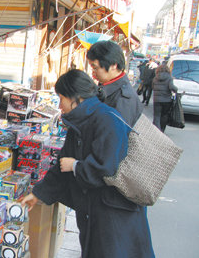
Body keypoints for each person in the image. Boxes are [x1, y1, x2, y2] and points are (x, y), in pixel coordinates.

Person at [20, 69, 155, 258]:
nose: (60, 106)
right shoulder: (81, 121)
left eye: (61, 98)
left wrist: (76, 165)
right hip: (95, 211)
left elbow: (106, 167)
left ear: (76, 97)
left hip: (116, 215)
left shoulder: (107, 119)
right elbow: (61, 167)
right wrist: (37, 194)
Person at [86, 40, 143, 126]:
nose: (93, 72)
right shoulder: (105, 87)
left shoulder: (124, 100)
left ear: (113, 65)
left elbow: (114, 137)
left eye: (95, 68)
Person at [152, 64, 178, 132]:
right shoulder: (169, 78)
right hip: (166, 100)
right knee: (164, 115)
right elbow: (172, 87)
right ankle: (162, 130)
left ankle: (156, 130)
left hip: (156, 100)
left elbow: (153, 87)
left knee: (156, 116)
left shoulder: (155, 78)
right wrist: (176, 89)